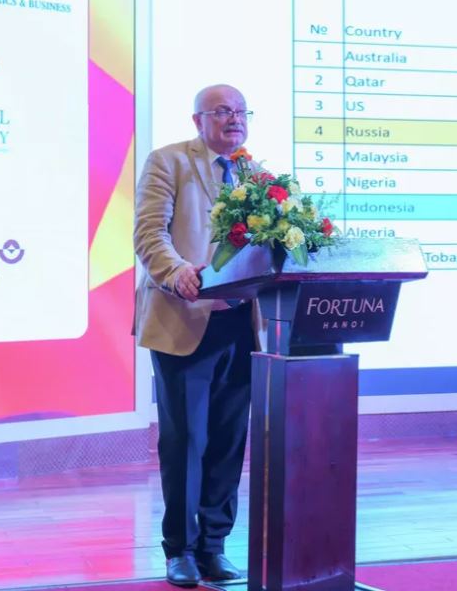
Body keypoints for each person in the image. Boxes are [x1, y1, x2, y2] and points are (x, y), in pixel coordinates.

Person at [134, 83, 261, 588]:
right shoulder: (168, 162)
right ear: (198, 121)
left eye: (241, 111)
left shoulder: (255, 174)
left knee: (228, 441)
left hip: (240, 322)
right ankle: (180, 550)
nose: (235, 119)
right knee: (186, 440)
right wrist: (177, 272)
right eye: (223, 111)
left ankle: (214, 546)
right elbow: (149, 233)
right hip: (183, 317)